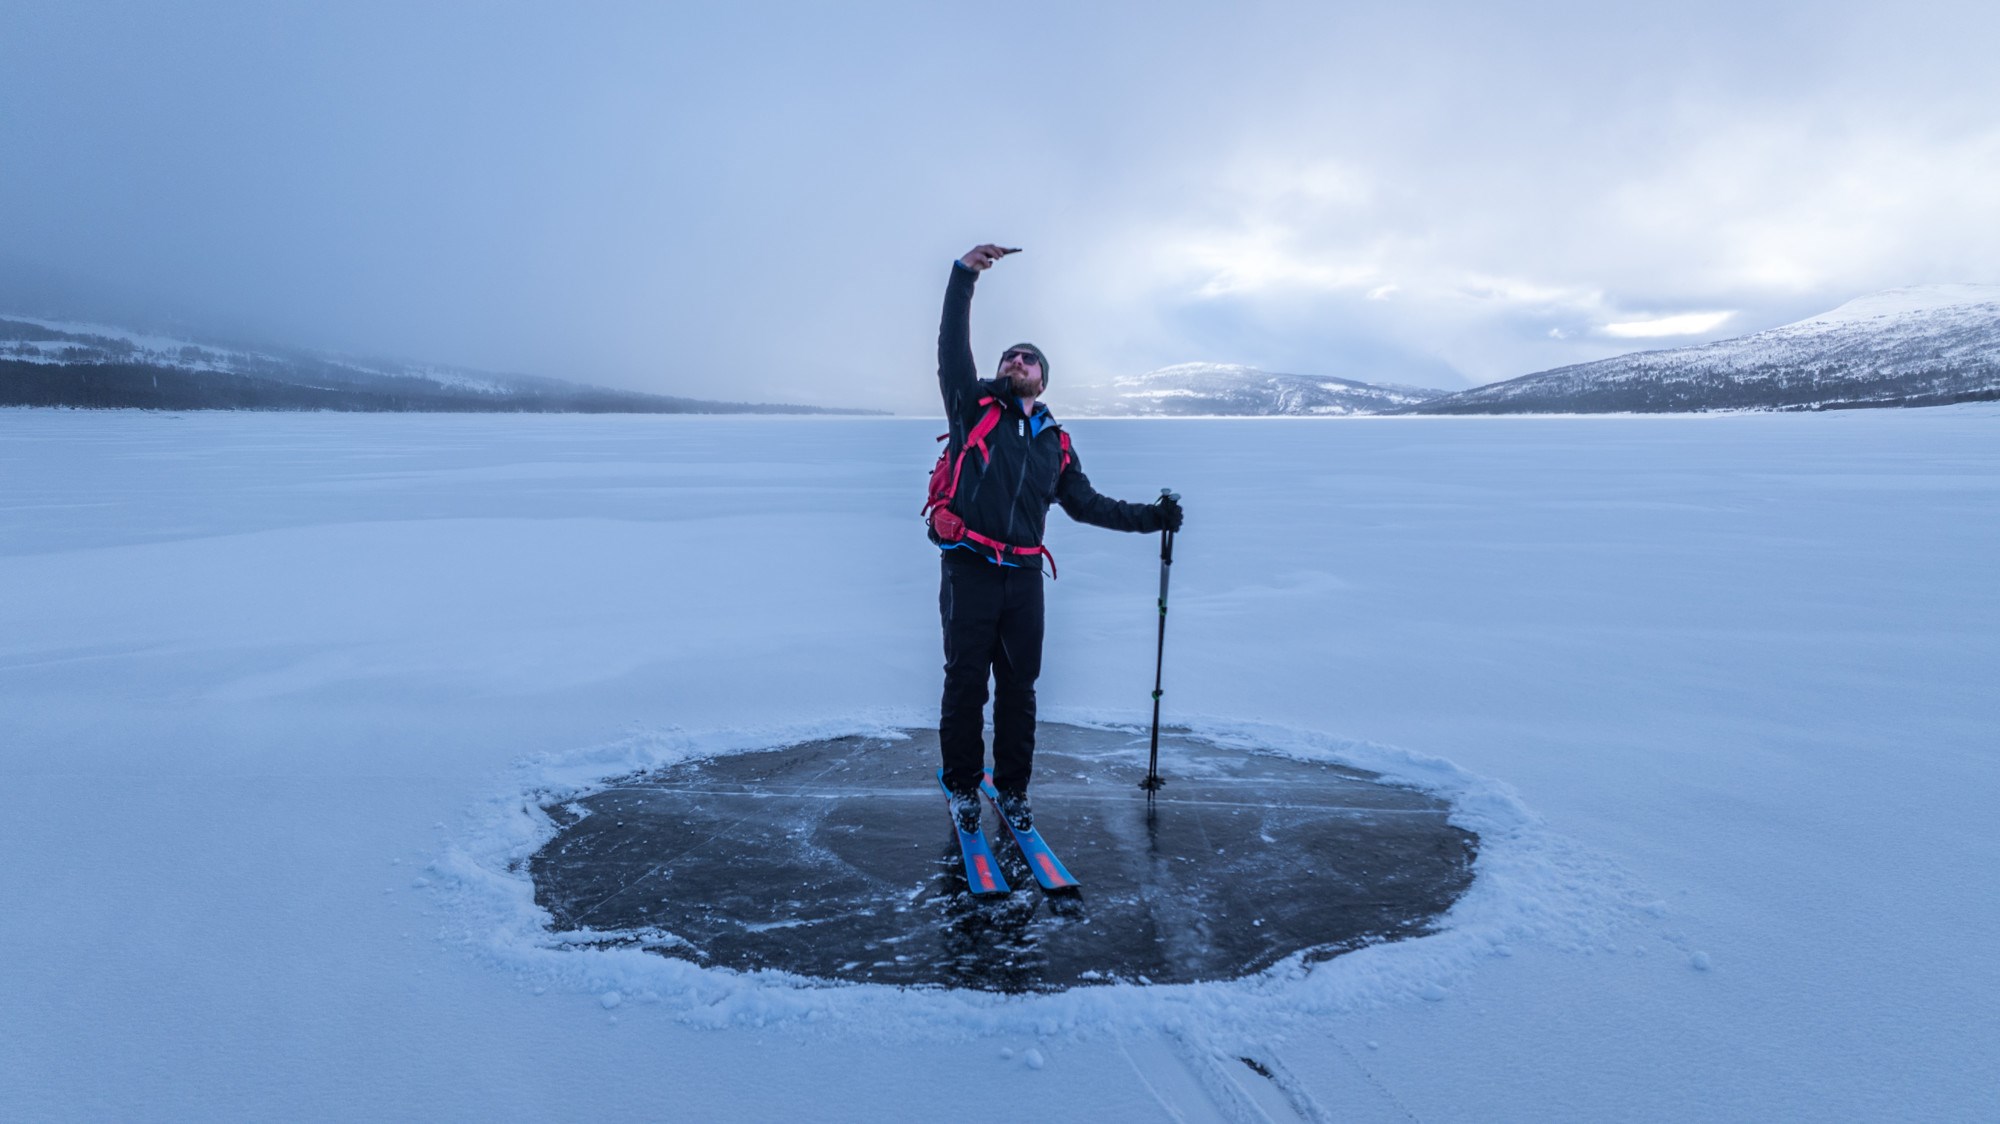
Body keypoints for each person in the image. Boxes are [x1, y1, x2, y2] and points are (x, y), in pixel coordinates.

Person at [933, 242, 1184, 835]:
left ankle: (1013, 792)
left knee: (1020, 691)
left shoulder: (1054, 441)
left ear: (1043, 380)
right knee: (966, 684)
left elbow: (1086, 504)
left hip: (1023, 579)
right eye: (1009, 357)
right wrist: (963, 277)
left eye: (1028, 359)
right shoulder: (973, 408)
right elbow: (950, 350)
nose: (1016, 362)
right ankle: (964, 787)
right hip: (969, 567)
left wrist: (1153, 517)